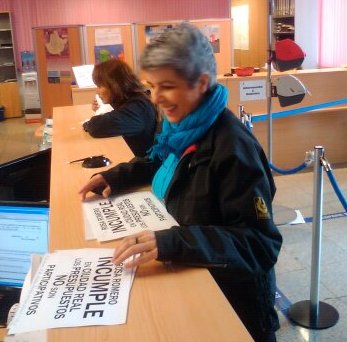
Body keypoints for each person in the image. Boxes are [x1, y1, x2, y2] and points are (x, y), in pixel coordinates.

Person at [80, 23, 282, 341]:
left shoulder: (233, 148)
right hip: (192, 277)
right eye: (152, 86)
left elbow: (259, 245)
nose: (156, 98)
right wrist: (114, 175)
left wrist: (172, 243)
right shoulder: (182, 126)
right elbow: (159, 158)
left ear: (201, 83)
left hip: (232, 307)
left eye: (167, 86)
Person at [82, 59, 158, 157]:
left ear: (114, 85)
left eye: (100, 86)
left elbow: (96, 127)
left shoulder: (138, 108)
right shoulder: (133, 101)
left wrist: (88, 124)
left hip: (143, 166)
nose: (97, 91)